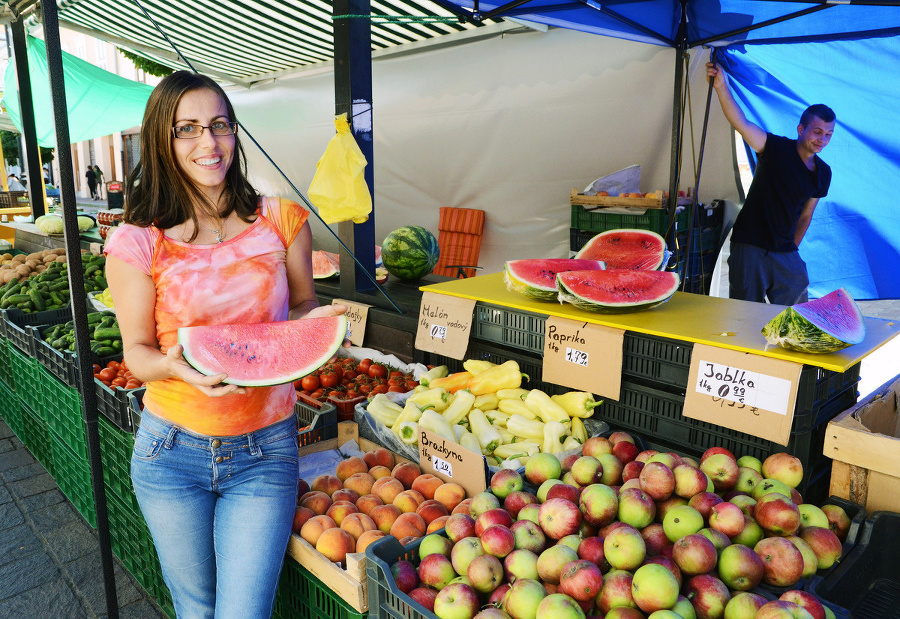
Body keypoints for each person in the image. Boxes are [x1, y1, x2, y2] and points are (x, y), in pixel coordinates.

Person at [103, 70, 347, 619]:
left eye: (219, 125)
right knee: (196, 608)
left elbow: (304, 307)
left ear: (235, 133)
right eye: (186, 129)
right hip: (170, 453)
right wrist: (175, 366)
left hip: (265, 450)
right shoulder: (138, 242)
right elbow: (137, 354)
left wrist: (319, 324)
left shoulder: (281, 220)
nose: (207, 143)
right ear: (162, 141)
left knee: (242, 613)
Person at [707, 62, 834, 305]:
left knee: (795, 317)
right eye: (817, 131)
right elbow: (741, 123)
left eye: (828, 134)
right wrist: (721, 86)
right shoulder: (775, 148)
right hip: (749, 245)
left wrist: (789, 249)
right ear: (801, 129)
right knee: (745, 315)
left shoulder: (823, 173)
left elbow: (806, 216)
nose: (822, 139)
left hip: (785, 252)